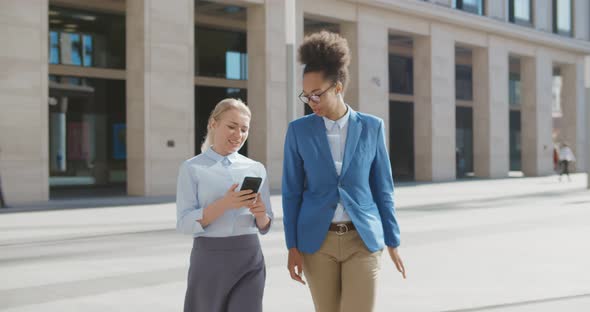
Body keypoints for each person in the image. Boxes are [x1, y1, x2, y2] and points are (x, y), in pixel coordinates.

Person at [282, 31, 405, 312]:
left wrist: (392, 240)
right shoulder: (298, 131)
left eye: (317, 94)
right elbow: (291, 192)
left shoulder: (372, 127)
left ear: (338, 87)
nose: (311, 101)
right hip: (317, 241)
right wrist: (292, 247)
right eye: (306, 95)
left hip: (361, 238)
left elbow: (383, 188)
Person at [176, 98, 273, 312]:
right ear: (213, 124)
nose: (238, 135)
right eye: (231, 126)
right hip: (209, 260)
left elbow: (265, 224)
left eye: (244, 129)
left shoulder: (256, 168)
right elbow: (184, 223)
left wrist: (261, 214)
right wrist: (225, 204)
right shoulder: (192, 168)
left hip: (249, 258)